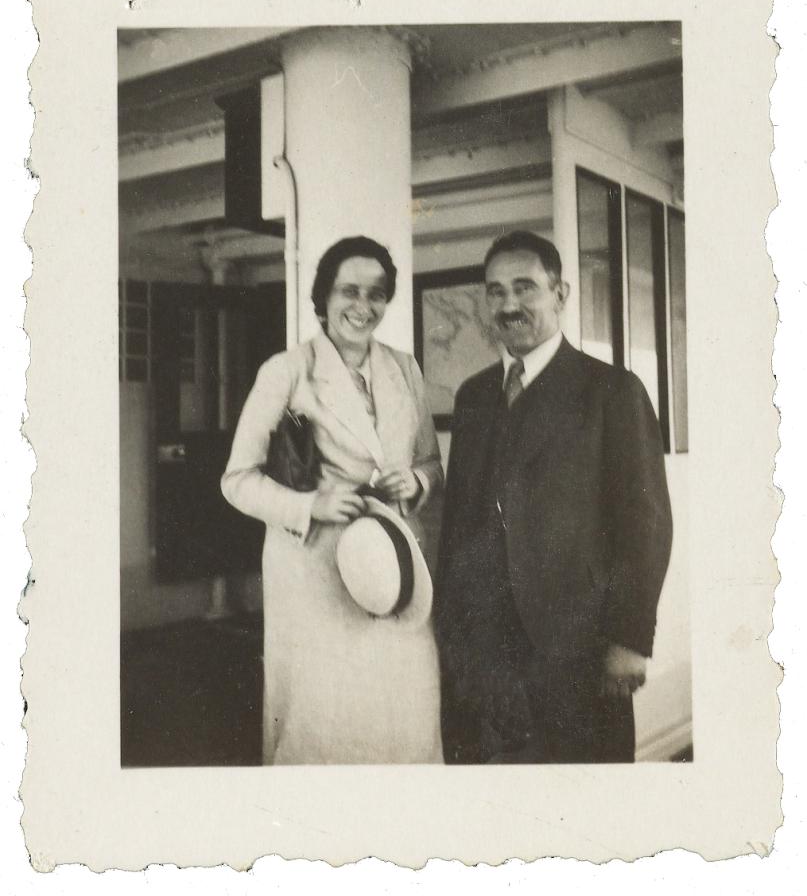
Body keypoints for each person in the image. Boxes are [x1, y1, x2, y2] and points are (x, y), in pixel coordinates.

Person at [435, 230, 673, 764]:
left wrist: (629, 639)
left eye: (525, 287)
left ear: (560, 294)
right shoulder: (473, 397)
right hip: (483, 656)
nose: (509, 304)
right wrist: (449, 633)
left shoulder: (612, 391)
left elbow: (646, 524)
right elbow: (458, 522)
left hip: (577, 652)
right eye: (495, 291)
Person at [221, 236, 444, 764]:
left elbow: (433, 462)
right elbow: (237, 480)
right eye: (349, 291)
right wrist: (309, 506)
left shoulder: (405, 369)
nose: (363, 307)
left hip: (394, 566)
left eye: (377, 294)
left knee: (405, 717)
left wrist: (416, 480)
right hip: (315, 573)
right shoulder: (286, 371)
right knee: (326, 726)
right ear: (322, 297)